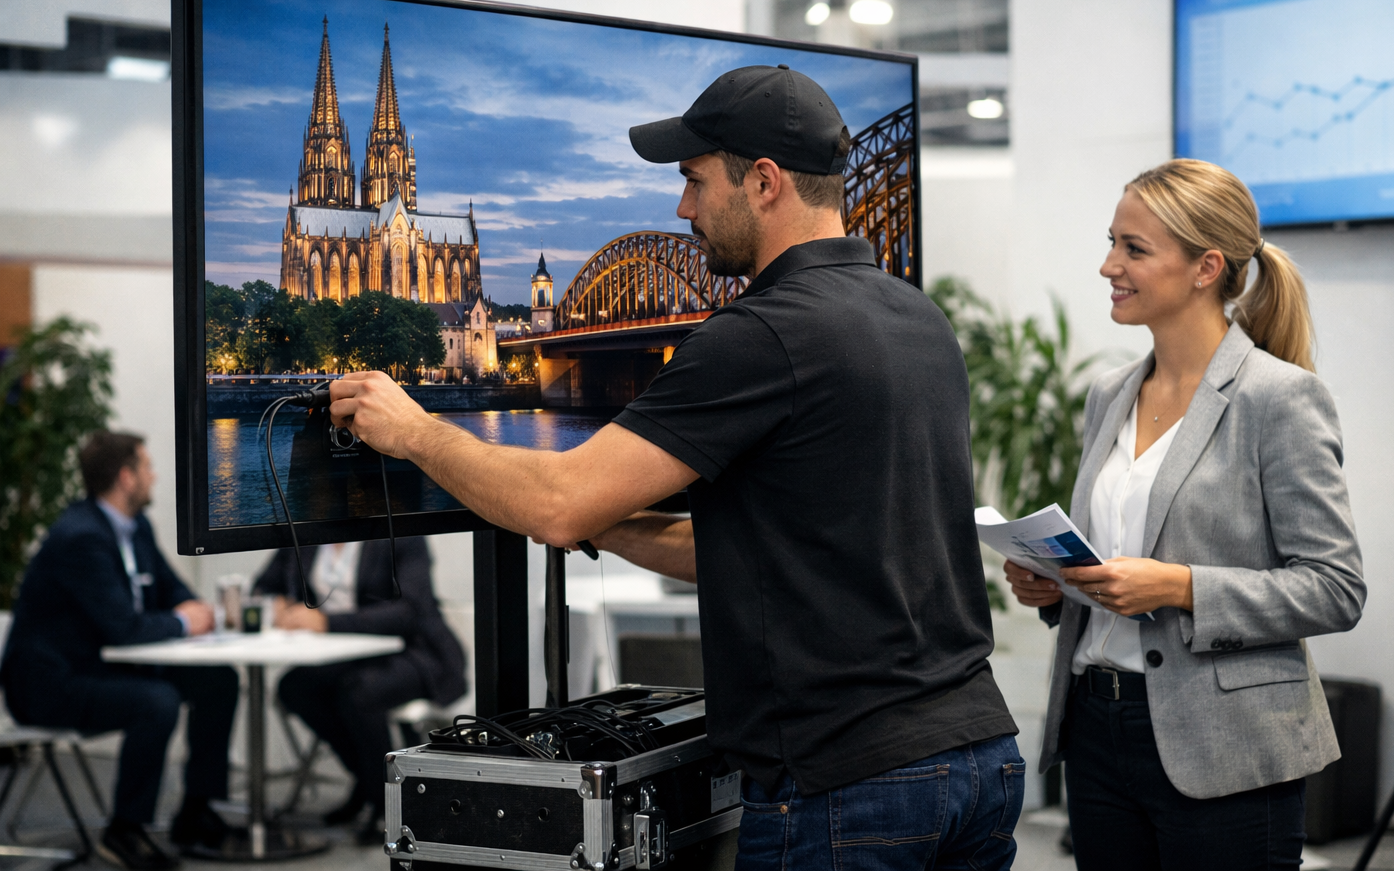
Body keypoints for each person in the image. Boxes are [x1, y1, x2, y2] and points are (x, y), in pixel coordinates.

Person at [325, 65, 1025, 869]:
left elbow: (557, 503)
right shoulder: (916, 317)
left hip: (848, 784)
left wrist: (415, 433)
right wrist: (612, 521)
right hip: (976, 755)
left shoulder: (759, 335)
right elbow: (772, 550)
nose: (682, 208)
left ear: (763, 183)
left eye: (694, 181)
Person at [1004, 158, 1366, 870]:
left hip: (1224, 739)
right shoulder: (1110, 393)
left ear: (1207, 267)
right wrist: (1057, 586)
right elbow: (1117, 563)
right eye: (1113, 241)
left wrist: (1179, 586)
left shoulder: (1277, 398)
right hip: (1095, 725)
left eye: (1134, 249)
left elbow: (1334, 586)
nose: (1109, 264)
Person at [0, 432, 237, 870]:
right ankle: (125, 831)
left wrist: (194, 609)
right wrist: (186, 621)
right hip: (47, 683)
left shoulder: (135, 527)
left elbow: (170, 588)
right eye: (147, 467)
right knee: (156, 702)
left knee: (217, 679)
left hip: (100, 666)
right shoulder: (81, 537)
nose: (155, 476)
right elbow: (123, 628)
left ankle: (196, 811)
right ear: (127, 478)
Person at [253, 536, 465, 843]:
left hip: (415, 653)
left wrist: (327, 621)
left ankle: (385, 803)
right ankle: (369, 782)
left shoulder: (400, 533)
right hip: (346, 656)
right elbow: (264, 584)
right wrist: (277, 603)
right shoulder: (306, 534)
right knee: (295, 687)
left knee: (359, 693)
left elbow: (410, 611)